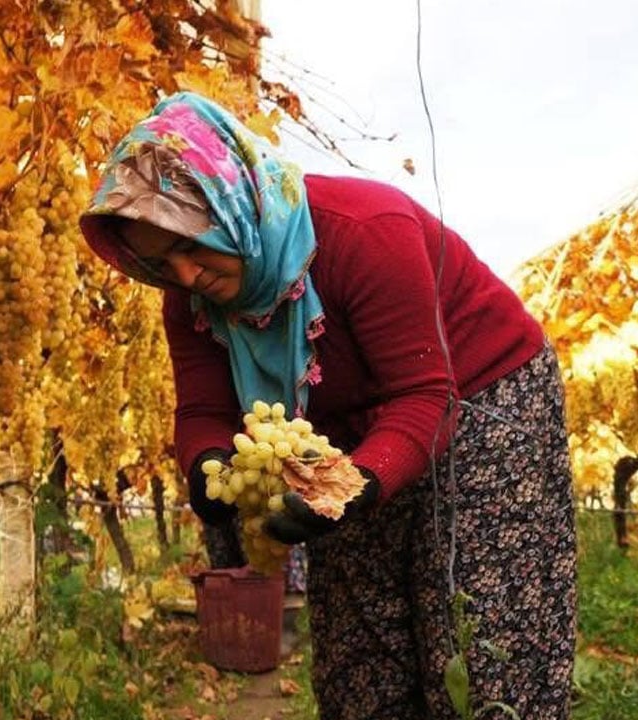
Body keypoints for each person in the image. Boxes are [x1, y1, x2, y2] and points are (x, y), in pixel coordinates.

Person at [79, 92, 574, 720]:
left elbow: (425, 395)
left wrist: (354, 484)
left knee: (479, 634)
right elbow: (202, 410)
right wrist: (212, 476)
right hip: (347, 428)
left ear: (233, 205)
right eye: (160, 262)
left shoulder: (363, 232)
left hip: (479, 399)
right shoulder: (189, 296)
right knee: (361, 656)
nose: (185, 273)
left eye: (192, 243)